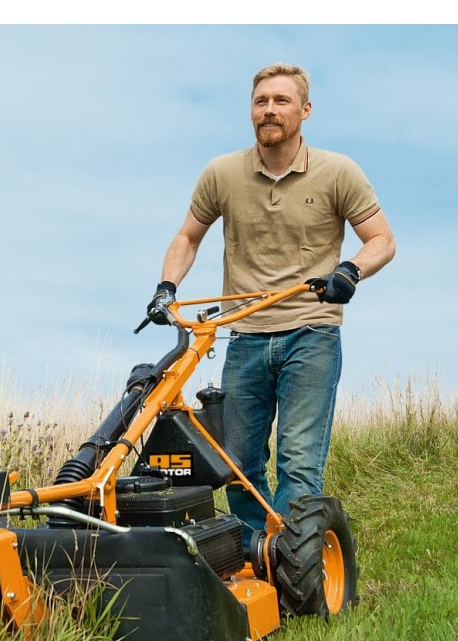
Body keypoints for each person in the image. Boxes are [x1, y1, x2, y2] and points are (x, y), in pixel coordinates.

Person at [146, 62, 396, 548]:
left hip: (312, 331)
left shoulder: (338, 172)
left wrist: (350, 271)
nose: (270, 110)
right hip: (245, 335)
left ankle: (289, 560)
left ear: (305, 110)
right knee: (237, 461)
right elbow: (187, 236)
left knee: (299, 461)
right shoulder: (222, 174)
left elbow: (382, 240)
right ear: (251, 111)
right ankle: (254, 554)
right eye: (261, 102)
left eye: (281, 101)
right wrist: (166, 288)